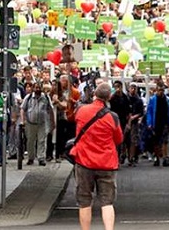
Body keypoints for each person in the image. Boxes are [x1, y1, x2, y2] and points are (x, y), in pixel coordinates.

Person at [71, 83, 123, 230]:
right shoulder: (112, 117)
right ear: (109, 97)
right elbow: (119, 139)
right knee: (107, 202)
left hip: (84, 161)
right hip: (106, 163)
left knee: (84, 200)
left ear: (94, 95)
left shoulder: (81, 111)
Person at [21, 82, 55, 166]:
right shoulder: (28, 97)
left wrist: (52, 122)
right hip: (30, 123)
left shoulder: (46, 97)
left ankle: (41, 158)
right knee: (30, 141)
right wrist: (23, 120)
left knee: (42, 141)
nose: (38, 89)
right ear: (33, 88)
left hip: (42, 123)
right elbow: (22, 109)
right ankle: (31, 158)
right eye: (36, 88)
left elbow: (50, 109)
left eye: (39, 88)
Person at [145, 82, 169, 167]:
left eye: (162, 90)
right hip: (155, 123)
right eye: (159, 90)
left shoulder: (168, 100)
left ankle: (165, 158)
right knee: (156, 142)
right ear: (156, 90)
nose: (160, 92)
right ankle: (157, 157)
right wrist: (149, 123)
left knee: (165, 141)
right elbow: (149, 112)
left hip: (164, 122)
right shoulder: (153, 99)